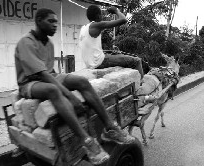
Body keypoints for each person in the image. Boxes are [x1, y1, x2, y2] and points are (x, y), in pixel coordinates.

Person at [14, 8, 135, 165]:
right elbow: (43, 74)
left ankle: (110, 127)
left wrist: (66, 83)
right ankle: (87, 141)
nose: (55, 25)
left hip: (49, 76)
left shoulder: (48, 43)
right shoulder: (26, 42)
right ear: (38, 21)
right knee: (53, 90)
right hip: (29, 83)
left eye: (56, 21)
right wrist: (70, 97)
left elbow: (51, 73)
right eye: (50, 21)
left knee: (81, 81)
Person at [79, 5, 144, 79]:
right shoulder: (96, 25)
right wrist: (116, 10)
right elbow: (123, 19)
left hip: (90, 63)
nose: (102, 16)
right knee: (136, 61)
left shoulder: (83, 28)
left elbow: (91, 48)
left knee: (115, 53)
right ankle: (141, 85)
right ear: (98, 16)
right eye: (101, 14)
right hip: (99, 62)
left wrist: (108, 51)